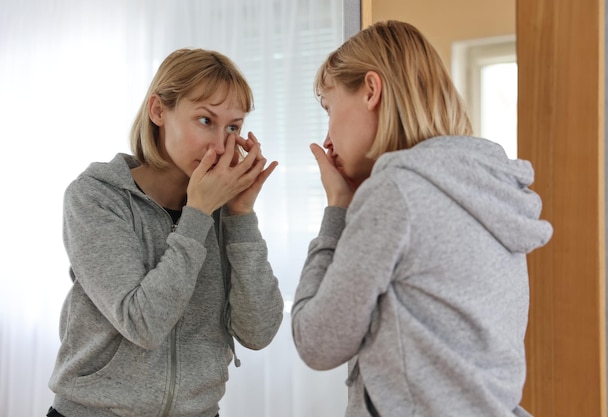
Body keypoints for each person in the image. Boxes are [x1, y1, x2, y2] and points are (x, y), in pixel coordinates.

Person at [291, 20, 553, 417]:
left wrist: (337, 211)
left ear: (371, 91)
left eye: (330, 109)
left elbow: (316, 341)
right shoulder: (486, 185)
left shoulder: (396, 191)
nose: (327, 138)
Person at [47, 48, 284, 417]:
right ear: (159, 111)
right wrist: (198, 214)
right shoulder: (95, 196)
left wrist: (241, 215)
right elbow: (142, 323)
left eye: (233, 127)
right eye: (206, 120)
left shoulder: (223, 208)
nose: (221, 145)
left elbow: (259, 332)